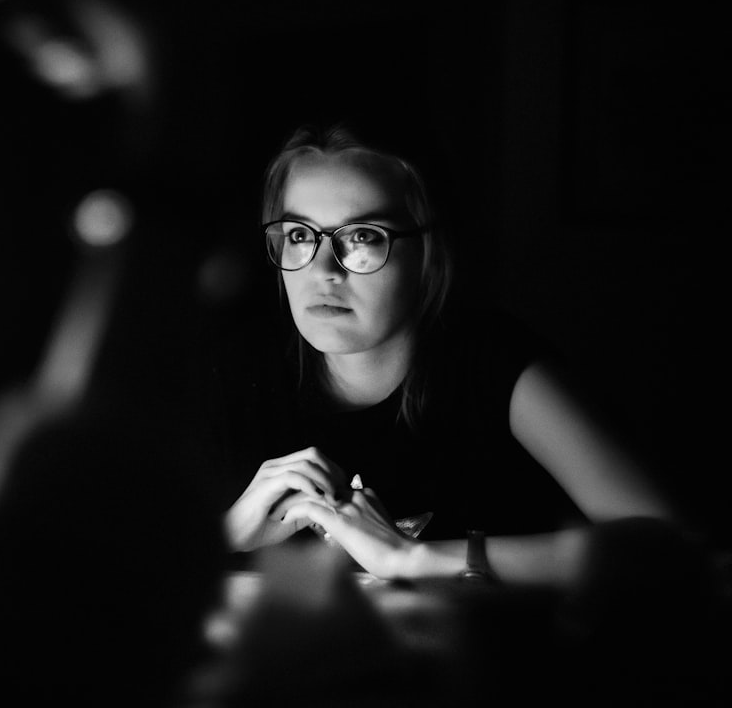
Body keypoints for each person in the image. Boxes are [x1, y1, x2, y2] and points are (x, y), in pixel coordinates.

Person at [210, 122, 693, 587]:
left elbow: (671, 548)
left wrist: (412, 557)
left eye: (361, 237)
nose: (323, 270)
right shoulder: (234, 372)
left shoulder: (495, 365)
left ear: (428, 252)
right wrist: (223, 536)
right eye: (299, 235)